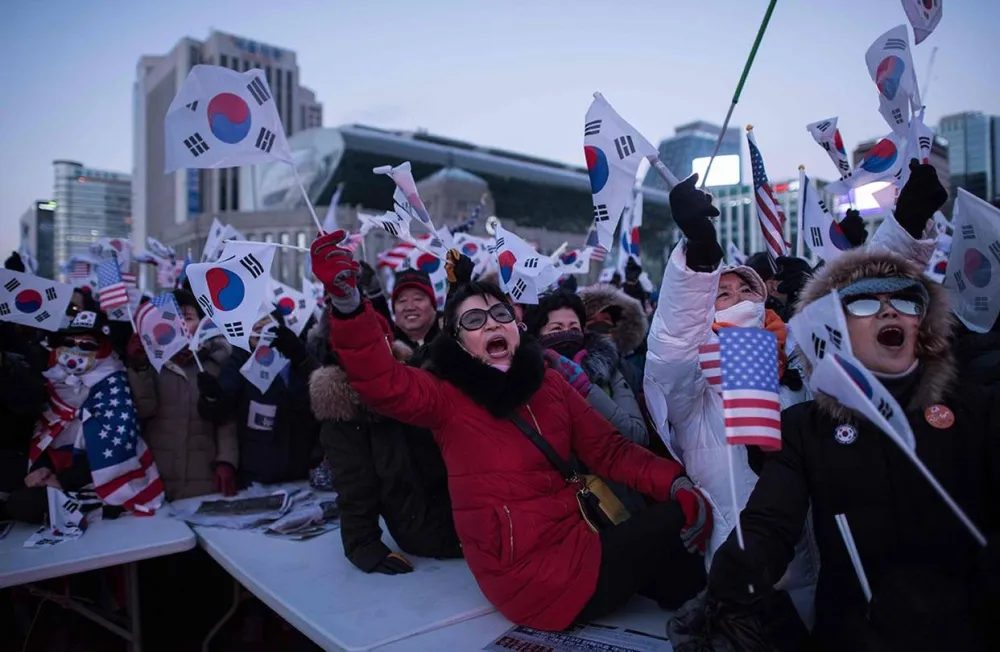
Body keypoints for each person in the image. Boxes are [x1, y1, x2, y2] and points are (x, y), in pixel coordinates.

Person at [311, 230, 711, 630]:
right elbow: (382, 381)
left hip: (578, 538)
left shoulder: (550, 384)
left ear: (517, 327)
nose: (490, 323)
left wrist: (672, 481)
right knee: (674, 523)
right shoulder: (446, 398)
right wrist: (348, 305)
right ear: (460, 341)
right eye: (473, 319)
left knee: (682, 577)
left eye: (500, 314)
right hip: (528, 574)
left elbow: (610, 450)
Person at [707, 245, 1000, 651]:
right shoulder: (805, 427)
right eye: (864, 303)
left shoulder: (975, 407)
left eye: (904, 300)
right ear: (834, 327)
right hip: (857, 633)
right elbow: (769, 524)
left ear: (923, 323)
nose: (888, 312)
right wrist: (729, 585)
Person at [308, 304, 462, 575]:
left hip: (464, 507)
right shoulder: (344, 406)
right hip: (426, 528)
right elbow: (353, 481)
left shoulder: (412, 375)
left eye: (377, 340)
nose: (371, 350)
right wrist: (363, 545)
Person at [7, 310, 164, 522]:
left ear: (103, 349)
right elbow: (43, 431)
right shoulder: (53, 383)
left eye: (87, 345)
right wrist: (42, 469)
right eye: (69, 341)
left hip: (100, 479)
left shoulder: (114, 388)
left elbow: (114, 447)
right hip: (57, 474)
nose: (75, 349)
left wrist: (62, 480)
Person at [127, 290, 238, 500]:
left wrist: (227, 460)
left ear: (202, 323)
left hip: (203, 475)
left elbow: (226, 420)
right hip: (157, 477)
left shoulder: (217, 364)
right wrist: (138, 368)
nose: (180, 325)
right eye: (173, 318)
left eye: (187, 318)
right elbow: (143, 410)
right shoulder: (151, 364)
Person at [198, 315, 320, 488]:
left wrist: (301, 358)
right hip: (256, 475)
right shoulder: (239, 359)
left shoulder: (300, 356)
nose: (260, 328)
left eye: (266, 321)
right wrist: (212, 396)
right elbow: (221, 408)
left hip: (302, 470)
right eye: (254, 324)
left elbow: (323, 398)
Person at [522, 289, 648, 447]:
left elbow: (637, 436)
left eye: (574, 328)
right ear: (538, 335)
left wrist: (586, 390)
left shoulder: (608, 369)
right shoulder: (524, 377)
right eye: (556, 329)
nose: (567, 333)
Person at [390, 269, 440, 349]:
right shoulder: (384, 347)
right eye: (402, 300)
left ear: (432, 304)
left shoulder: (455, 339)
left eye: (418, 299)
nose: (410, 307)